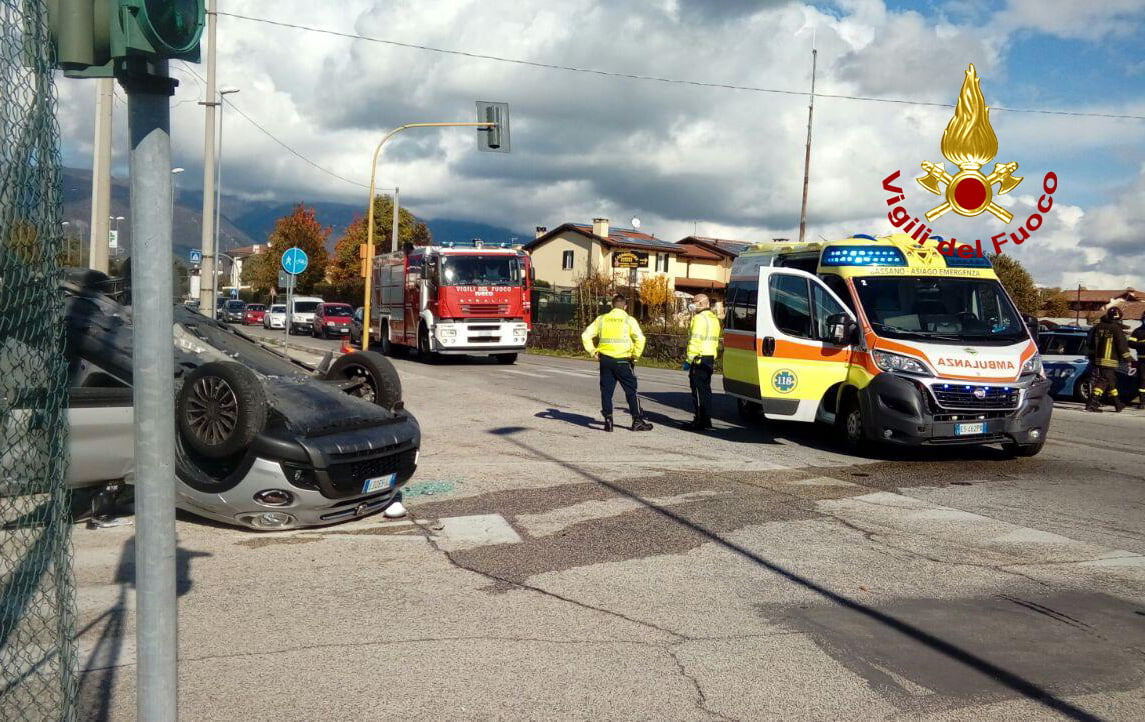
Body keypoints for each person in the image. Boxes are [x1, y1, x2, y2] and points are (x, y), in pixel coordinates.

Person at [581, 295, 652, 431]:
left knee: (606, 391)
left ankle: (608, 419)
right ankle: (637, 420)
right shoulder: (629, 320)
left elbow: (585, 335)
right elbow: (640, 339)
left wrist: (593, 351)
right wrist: (635, 355)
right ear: (625, 306)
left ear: (612, 306)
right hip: (623, 361)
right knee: (631, 391)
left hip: (606, 360)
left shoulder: (601, 319)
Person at [680, 294, 722, 430]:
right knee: (706, 390)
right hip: (709, 358)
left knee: (697, 391)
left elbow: (695, 340)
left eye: (694, 302)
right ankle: (706, 420)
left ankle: (700, 421)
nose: (691, 304)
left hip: (698, 358)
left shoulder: (699, 319)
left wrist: (689, 359)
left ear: (702, 303)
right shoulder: (714, 318)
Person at [1086, 306, 1133, 412]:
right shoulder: (1115, 328)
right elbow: (1122, 346)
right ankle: (1092, 403)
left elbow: (1090, 343)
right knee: (1103, 380)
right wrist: (1129, 360)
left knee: (1111, 381)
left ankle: (1118, 403)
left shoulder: (1099, 326)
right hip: (1110, 360)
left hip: (1098, 359)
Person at [1129, 311, 1145, 410]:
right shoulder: (1138, 331)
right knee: (1143, 381)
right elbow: (1130, 343)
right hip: (1143, 361)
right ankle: (1143, 401)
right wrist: (1143, 345)